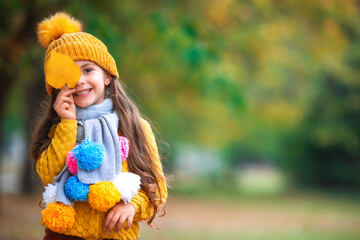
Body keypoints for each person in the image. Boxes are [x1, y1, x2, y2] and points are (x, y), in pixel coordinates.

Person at [30, 12, 167, 240]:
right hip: (64, 234)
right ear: (56, 86)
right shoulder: (61, 127)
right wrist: (67, 123)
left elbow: (157, 186)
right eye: (68, 74)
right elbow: (47, 174)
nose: (79, 80)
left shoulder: (134, 127)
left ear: (107, 76)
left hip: (116, 234)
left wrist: (132, 206)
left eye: (87, 69)